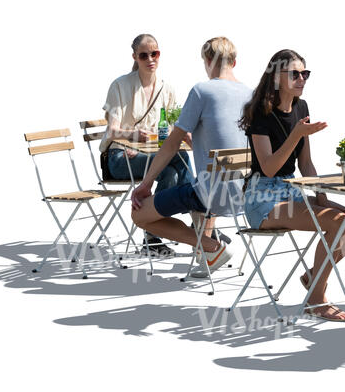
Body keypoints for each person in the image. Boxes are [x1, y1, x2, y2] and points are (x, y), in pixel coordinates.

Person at [239, 49, 345, 321]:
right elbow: (269, 167)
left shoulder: (301, 107)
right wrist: (296, 133)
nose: (302, 79)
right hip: (262, 197)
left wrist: (321, 193)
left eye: (305, 73)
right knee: (335, 223)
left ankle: (313, 275)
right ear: (276, 78)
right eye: (295, 74)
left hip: (292, 190)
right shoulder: (260, 113)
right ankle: (317, 299)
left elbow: (306, 163)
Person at [131, 37, 252, 276]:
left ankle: (211, 247)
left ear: (207, 61)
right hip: (244, 194)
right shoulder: (251, 94)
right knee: (204, 184)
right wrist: (195, 141)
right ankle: (207, 255)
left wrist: (145, 185)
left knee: (140, 214)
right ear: (234, 62)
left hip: (211, 195)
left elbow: (169, 145)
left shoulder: (201, 91)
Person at [100, 33, 192, 256]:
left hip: (151, 155)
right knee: (181, 159)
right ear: (135, 57)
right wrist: (133, 136)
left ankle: (152, 236)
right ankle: (201, 219)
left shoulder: (166, 88)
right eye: (144, 55)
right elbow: (112, 129)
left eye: (155, 53)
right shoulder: (120, 85)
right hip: (120, 157)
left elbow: (173, 127)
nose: (150, 58)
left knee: (170, 174)